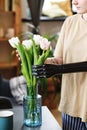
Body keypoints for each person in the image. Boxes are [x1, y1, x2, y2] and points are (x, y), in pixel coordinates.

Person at [42, 0, 87, 129]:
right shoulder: (70, 22)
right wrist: (40, 61)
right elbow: (60, 59)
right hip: (71, 103)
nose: (74, 2)